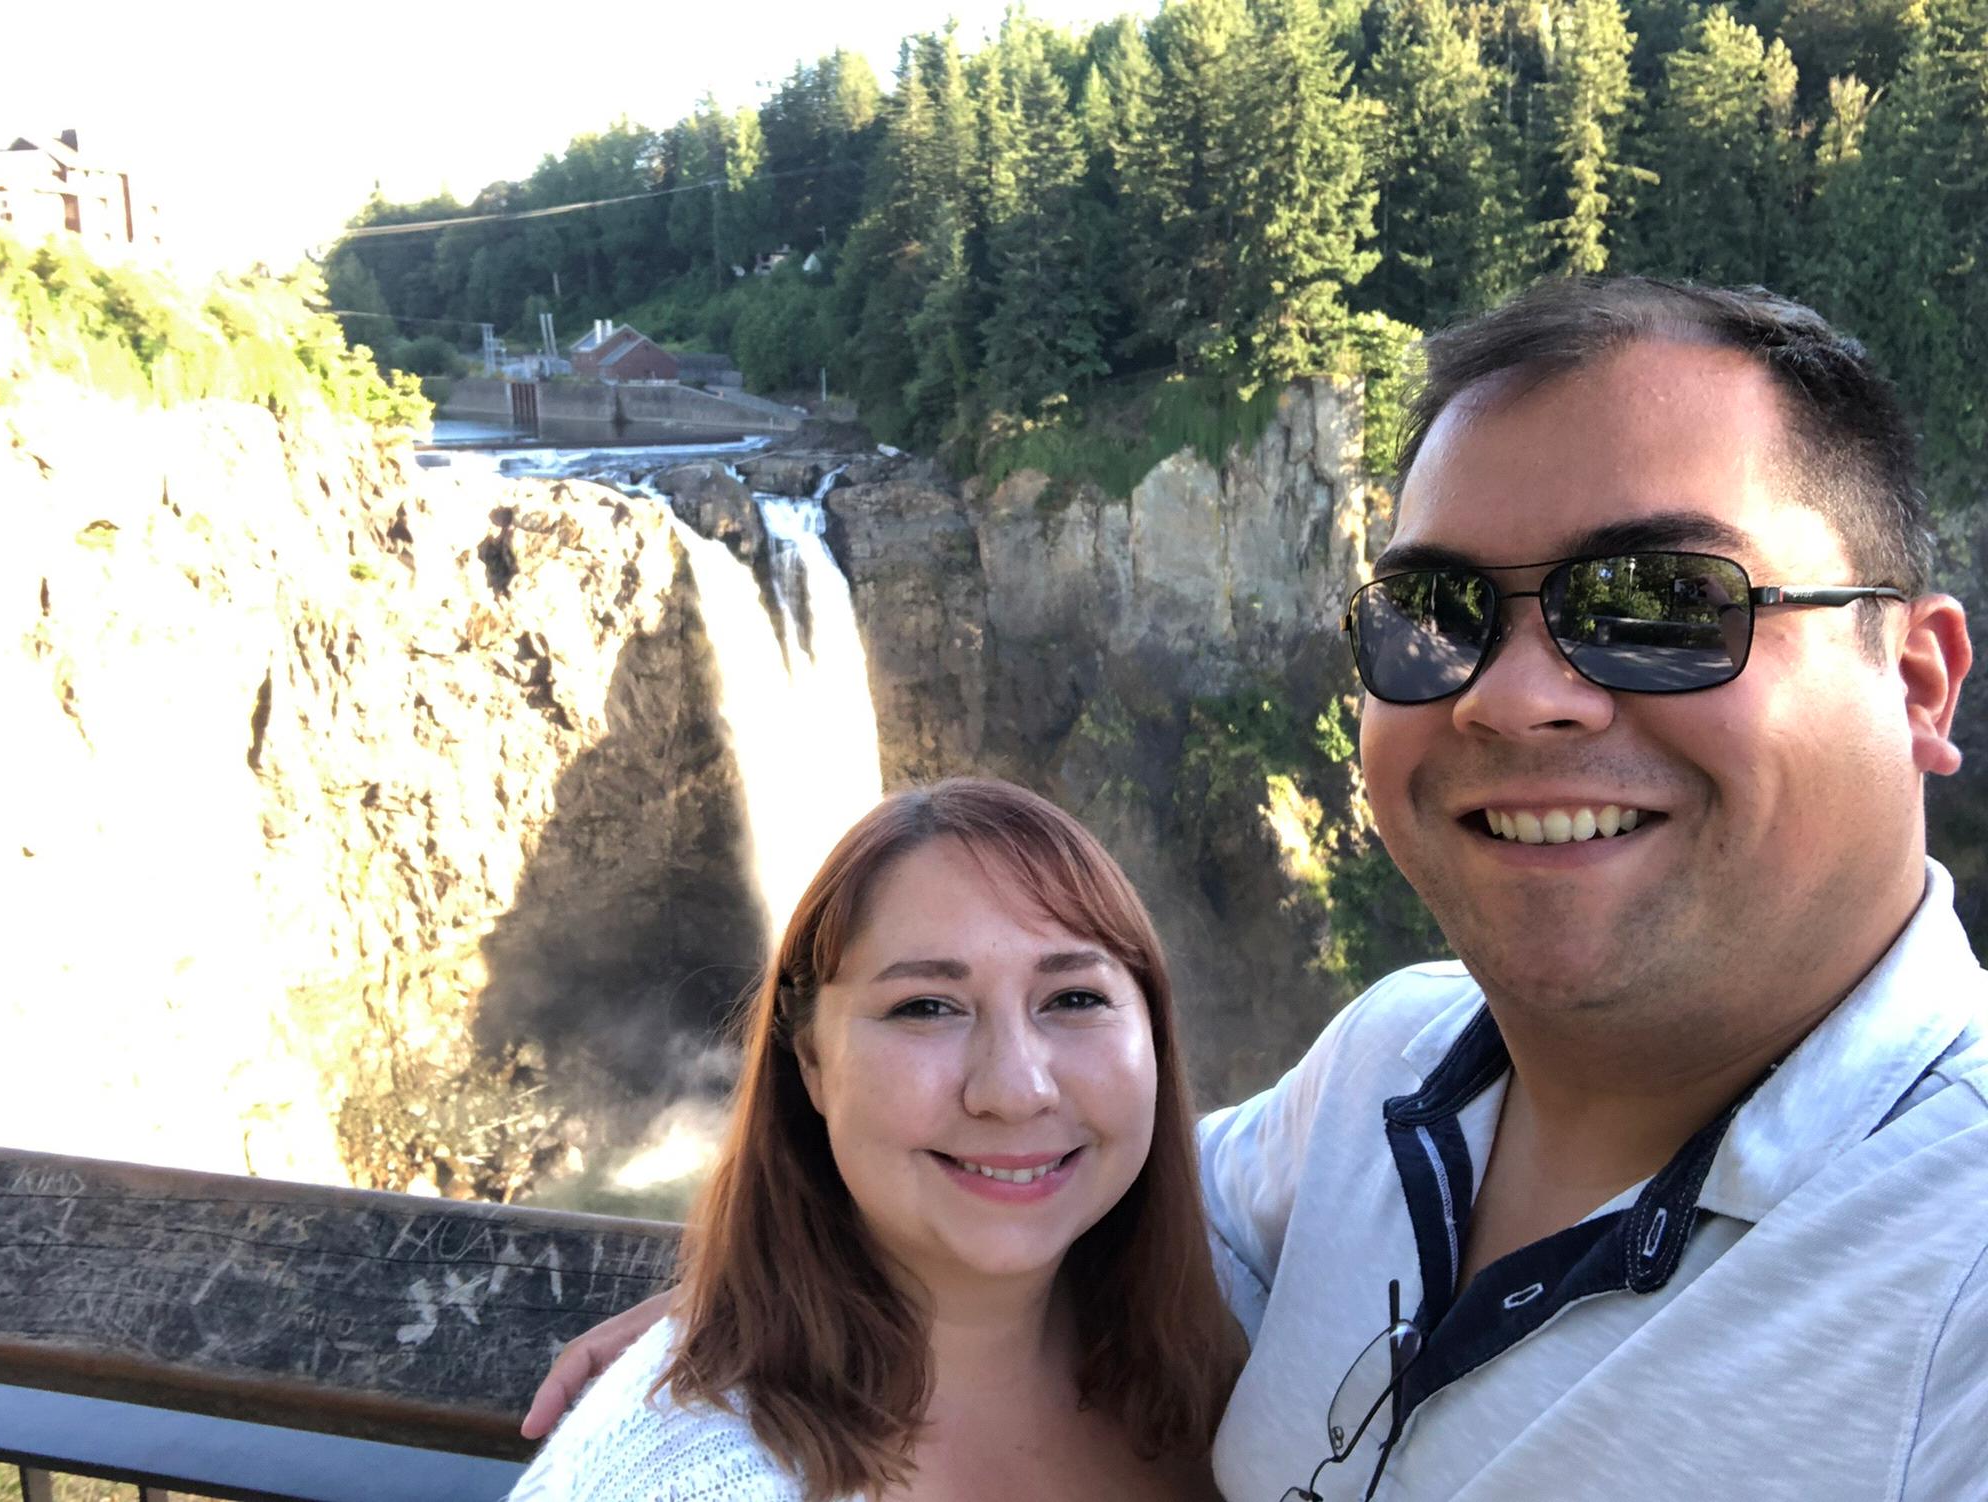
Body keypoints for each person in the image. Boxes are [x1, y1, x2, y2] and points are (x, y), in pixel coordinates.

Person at [525, 278, 1988, 1501]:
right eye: (1438, 614)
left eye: (1662, 603)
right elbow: (1048, 1185)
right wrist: (775, 1283)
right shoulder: (1387, 1066)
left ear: (1918, 680)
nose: (1512, 694)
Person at [511, 777, 1242, 1501]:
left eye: (1075, 997)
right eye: (926, 1007)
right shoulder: (676, 1480)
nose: (1016, 1090)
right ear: (812, 1061)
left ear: (1154, 1030)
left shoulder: (1242, 1319)